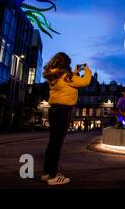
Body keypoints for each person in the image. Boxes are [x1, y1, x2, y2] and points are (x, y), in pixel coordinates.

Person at [41, 52, 91, 186]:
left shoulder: (53, 75)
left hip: (53, 110)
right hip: (63, 111)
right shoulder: (67, 76)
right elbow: (85, 81)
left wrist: (74, 73)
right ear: (64, 63)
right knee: (57, 144)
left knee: (53, 143)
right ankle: (53, 176)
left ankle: (47, 173)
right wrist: (87, 70)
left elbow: (67, 83)